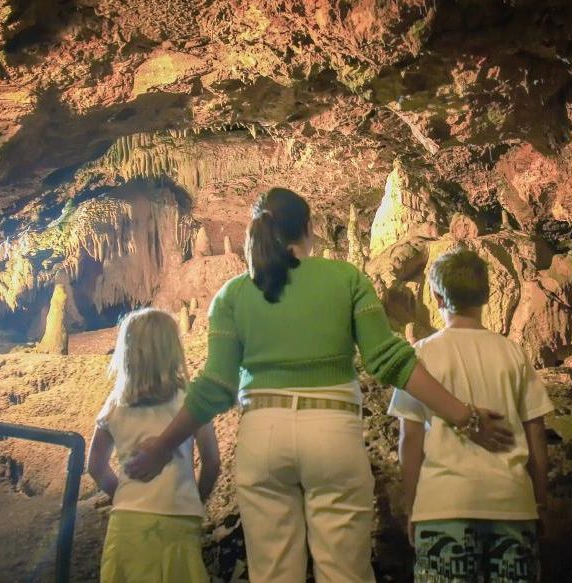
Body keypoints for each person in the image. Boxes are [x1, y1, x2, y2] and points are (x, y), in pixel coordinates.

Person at [124, 187, 513, 583]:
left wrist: (161, 445)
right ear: (309, 228)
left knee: (274, 575)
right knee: (345, 573)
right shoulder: (346, 279)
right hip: (332, 432)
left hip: (264, 435)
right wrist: (465, 417)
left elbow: (215, 386)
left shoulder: (233, 295)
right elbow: (390, 361)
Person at [388, 246, 553, 583]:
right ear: (488, 294)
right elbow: (536, 432)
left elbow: (410, 440)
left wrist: (412, 505)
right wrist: (539, 500)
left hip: (443, 507)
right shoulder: (513, 353)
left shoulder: (421, 356)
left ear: (435, 297)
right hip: (511, 504)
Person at [88, 308, 221, 583]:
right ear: (173, 349)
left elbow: (96, 467)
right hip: (178, 514)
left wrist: (122, 494)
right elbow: (212, 462)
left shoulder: (114, 404)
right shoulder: (190, 400)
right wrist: (197, 497)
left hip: (128, 519)